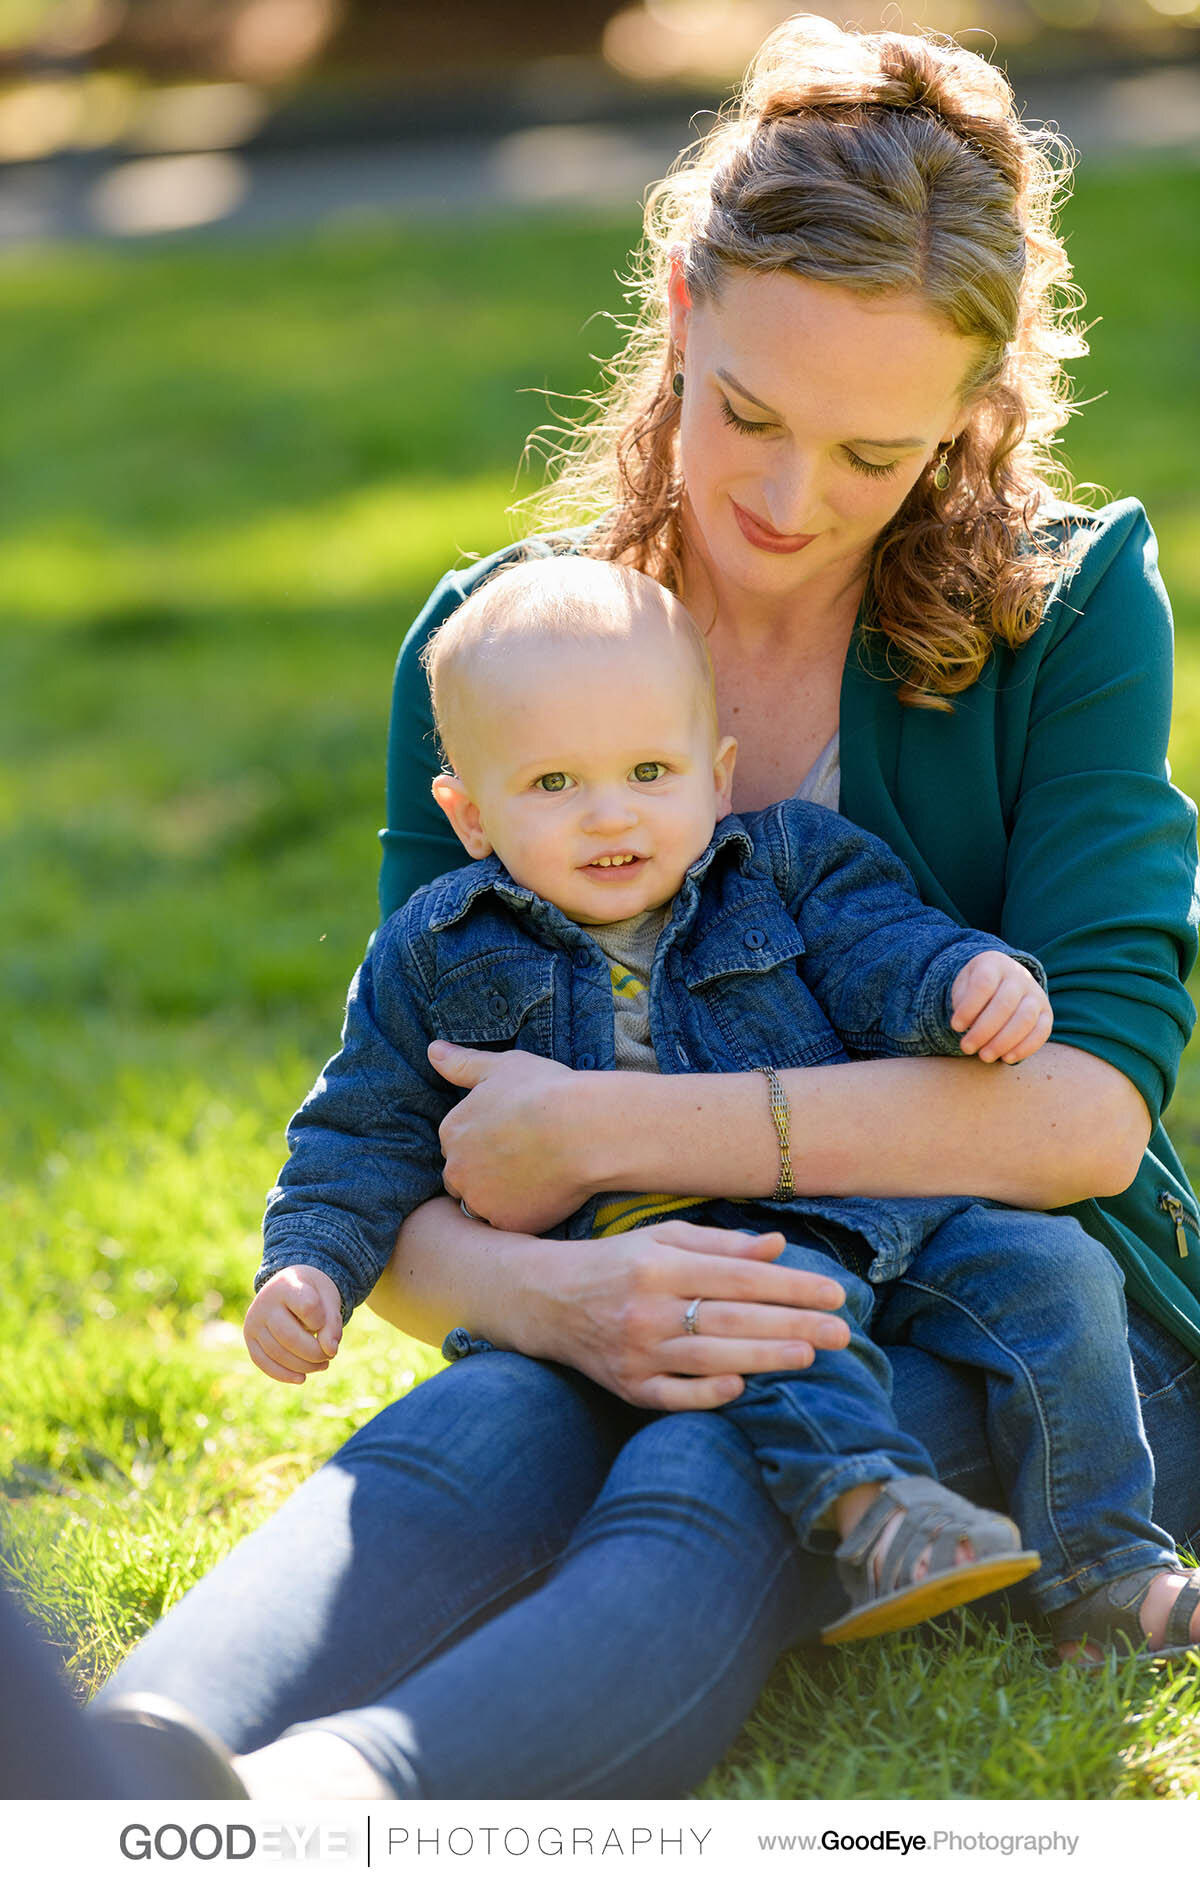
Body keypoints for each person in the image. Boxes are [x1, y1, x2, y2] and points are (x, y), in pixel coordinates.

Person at [95, 15, 1200, 1800]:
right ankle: (107, 1768)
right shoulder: (506, 654)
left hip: (1009, 1305)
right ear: (683, 313)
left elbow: (1083, 1115)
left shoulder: (1067, 613)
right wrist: (569, 1298)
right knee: (488, 1412)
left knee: (710, 1458)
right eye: (750, 412)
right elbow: (429, 1143)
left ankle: (337, 1809)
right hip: (633, 1253)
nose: (788, 500)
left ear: (971, 419)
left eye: (875, 453)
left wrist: (611, 1132)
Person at [247, 552, 1189, 1657]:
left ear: (717, 769)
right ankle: (876, 1512)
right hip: (687, 1245)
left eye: (651, 770)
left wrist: (965, 986)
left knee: (1055, 1269)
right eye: (553, 786)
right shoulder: (439, 950)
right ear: (467, 813)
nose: (612, 818)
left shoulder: (787, 864)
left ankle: (1110, 1570)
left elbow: (887, 955)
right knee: (774, 1314)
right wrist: (307, 1260)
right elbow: (363, 1129)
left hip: (886, 1202)